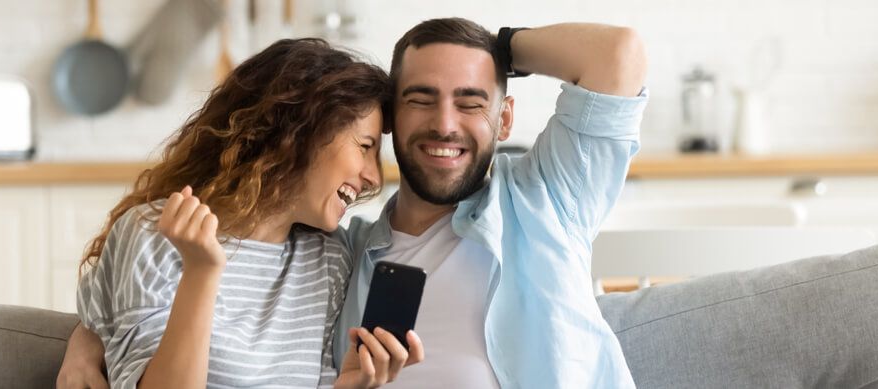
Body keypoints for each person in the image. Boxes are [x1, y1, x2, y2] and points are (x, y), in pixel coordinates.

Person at [60, 18, 647, 388]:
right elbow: (140, 286)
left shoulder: (546, 197)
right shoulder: (349, 251)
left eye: (471, 101)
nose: (445, 124)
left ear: (505, 116)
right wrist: (90, 336)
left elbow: (618, 55)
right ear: (392, 117)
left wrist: (495, 47)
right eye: (421, 99)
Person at [69, 38, 424, 389]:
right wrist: (202, 271)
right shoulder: (159, 232)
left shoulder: (327, 257)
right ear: (299, 132)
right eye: (365, 147)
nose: (373, 177)